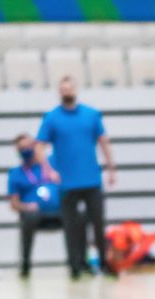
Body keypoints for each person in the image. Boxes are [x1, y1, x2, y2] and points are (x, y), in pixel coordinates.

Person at [36, 76, 116, 280]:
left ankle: (103, 263)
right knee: (71, 227)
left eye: (69, 88)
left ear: (75, 90)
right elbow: (39, 147)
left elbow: (104, 142)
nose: (66, 92)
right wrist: (48, 170)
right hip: (67, 183)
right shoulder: (51, 118)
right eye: (62, 89)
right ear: (59, 92)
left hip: (92, 180)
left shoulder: (92, 115)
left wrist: (111, 169)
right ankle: (75, 265)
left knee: (97, 224)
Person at [7, 133, 63, 278]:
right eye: (22, 148)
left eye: (29, 146)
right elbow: (14, 204)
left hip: (59, 212)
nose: (26, 150)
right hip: (35, 215)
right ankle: (25, 265)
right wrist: (27, 207)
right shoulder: (15, 174)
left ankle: (80, 263)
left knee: (77, 215)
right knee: (29, 217)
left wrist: (58, 177)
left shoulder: (53, 163)